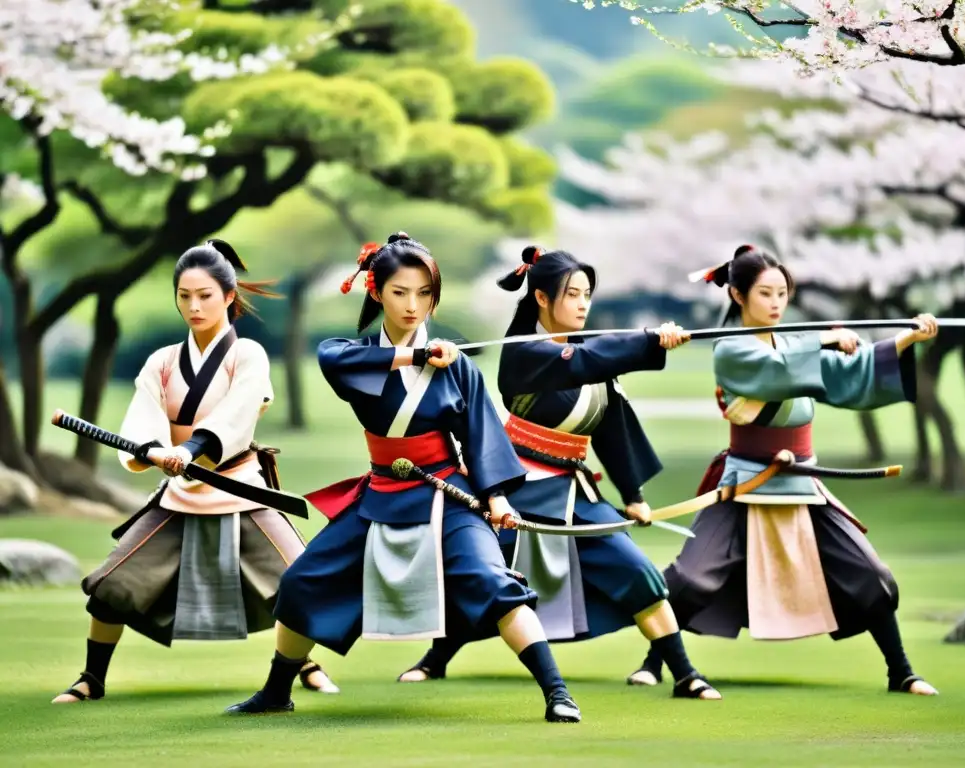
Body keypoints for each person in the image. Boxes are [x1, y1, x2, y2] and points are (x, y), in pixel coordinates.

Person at [225, 233, 582, 723]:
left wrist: (497, 498)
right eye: (400, 293)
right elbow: (334, 360)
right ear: (376, 292)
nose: (413, 306)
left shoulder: (458, 367)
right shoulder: (353, 352)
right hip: (378, 493)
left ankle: (557, 693)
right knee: (303, 582)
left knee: (492, 582)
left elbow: (480, 436)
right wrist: (416, 357)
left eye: (424, 294)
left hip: (444, 492)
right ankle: (275, 691)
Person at [398, 246, 721, 700]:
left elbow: (608, 426)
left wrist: (632, 494)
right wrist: (650, 342)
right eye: (573, 294)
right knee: (483, 576)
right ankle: (434, 660)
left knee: (638, 571)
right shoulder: (525, 355)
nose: (583, 304)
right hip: (511, 487)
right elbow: (584, 363)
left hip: (574, 493)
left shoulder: (590, 359)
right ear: (543, 298)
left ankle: (685, 674)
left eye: (588, 294)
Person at [627, 244, 939, 696]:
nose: (776, 303)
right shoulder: (731, 349)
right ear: (737, 295)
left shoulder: (796, 344)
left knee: (871, 575)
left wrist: (906, 339)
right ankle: (656, 662)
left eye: (782, 293)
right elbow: (775, 374)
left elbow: (845, 375)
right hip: (746, 481)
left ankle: (901, 671)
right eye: (765, 294)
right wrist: (825, 340)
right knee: (691, 578)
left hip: (801, 484)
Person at [53, 239, 337, 704]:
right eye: (184, 296)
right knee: (111, 585)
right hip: (181, 490)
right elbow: (144, 417)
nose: (194, 305)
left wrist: (192, 448)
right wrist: (153, 449)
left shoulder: (248, 355)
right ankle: (91, 678)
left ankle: (302, 665)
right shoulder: (162, 361)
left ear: (228, 297)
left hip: (239, 485)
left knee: (300, 579)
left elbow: (237, 413)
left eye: (205, 295)